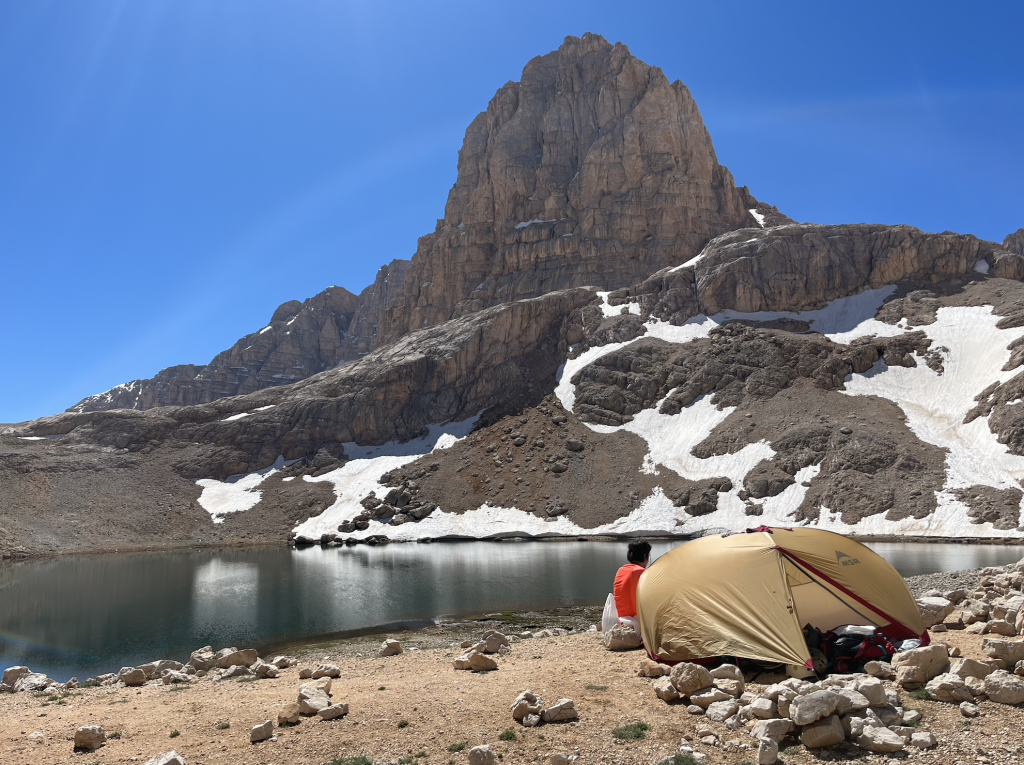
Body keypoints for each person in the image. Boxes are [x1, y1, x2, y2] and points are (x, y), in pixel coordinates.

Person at [613, 540, 651, 635]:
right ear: (645, 556)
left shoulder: (621, 570)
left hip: (622, 619)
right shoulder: (641, 572)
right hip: (639, 622)